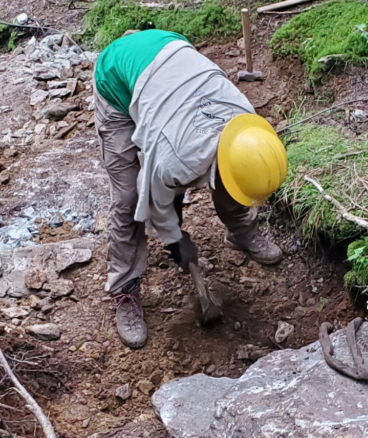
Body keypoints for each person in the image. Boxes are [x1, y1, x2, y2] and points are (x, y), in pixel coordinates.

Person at [93, 29, 288, 348]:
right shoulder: (176, 160)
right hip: (118, 78)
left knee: (233, 180)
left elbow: (240, 173)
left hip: (172, 54)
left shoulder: (249, 128)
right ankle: (124, 289)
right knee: (128, 199)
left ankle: (240, 230)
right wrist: (178, 243)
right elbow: (155, 207)